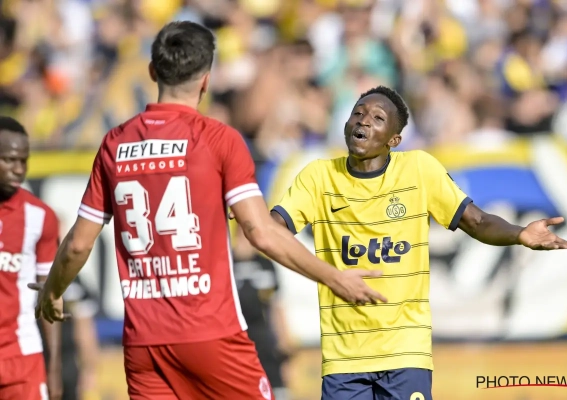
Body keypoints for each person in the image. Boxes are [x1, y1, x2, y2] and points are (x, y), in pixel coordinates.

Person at [29, 21, 385, 400]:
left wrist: (53, 290)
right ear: (206, 80)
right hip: (211, 335)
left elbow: (78, 245)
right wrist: (334, 278)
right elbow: (260, 232)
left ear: (152, 72)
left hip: (144, 344)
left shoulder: (115, 144)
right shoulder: (219, 139)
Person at [265, 86, 567, 400]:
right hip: (343, 358)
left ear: (394, 139)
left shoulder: (418, 170)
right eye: (358, 113)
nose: (364, 121)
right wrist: (324, 273)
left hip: (406, 353)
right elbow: (269, 232)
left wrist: (520, 233)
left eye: (377, 118)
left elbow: (477, 221)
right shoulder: (318, 177)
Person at [0, 116, 62, 400]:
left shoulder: (40, 217)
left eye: (23, 161)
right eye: (9, 160)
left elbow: (50, 296)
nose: (19, 169)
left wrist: (54, 368)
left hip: (22, 356)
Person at [232, 226, 290, 400]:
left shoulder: (266, 264)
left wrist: (284, 340)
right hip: (236, 340)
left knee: (277, 390)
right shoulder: (225, 263)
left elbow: (276, 304)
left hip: (265, 341)